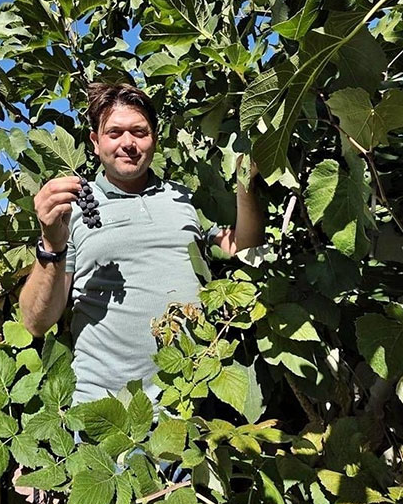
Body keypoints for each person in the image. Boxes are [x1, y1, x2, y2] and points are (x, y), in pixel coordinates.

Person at [18, 82, 265, 405]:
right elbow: (36, 322)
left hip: (189, 398)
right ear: (95, 141)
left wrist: (245, 182)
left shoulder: (184, 198)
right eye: (115, 133)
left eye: (139, 131)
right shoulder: (73, 210)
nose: (128, 143)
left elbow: (245, 249)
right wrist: (51, 243)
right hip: (105, 407)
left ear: (155, 139)